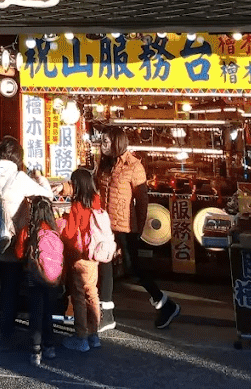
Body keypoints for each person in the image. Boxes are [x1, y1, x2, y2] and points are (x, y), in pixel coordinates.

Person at [98, 127, 179, 329]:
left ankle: (164, 303)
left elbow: (142, 201)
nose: (102, 144)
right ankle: (106, 314)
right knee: (104, 263)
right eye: (102, 141)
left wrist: (139, 229)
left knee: (134, 268)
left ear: (117, 142)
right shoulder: (103, 165)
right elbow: (91, 186)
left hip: (126, 227)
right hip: (104, 226)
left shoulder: (134, 167)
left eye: (106, 141)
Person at [0, 136, 52, 348]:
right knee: (10, 291)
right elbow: (48, 196)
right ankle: (6, 334)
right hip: (12, 246)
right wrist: (39, 178)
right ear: (18, 157)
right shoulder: (20, 178)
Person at [60, 167, 107, 349]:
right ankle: (94, 334)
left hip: (79, 256)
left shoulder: (78, 205)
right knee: (92, 293)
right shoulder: (97, 201)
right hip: (94, 254)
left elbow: (71, 232)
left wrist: (63, 223)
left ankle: (81, 337)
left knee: (78, 296)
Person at [16, 195, 62, 365]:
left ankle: (36, 350)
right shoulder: (55, 230)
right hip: (53, 278)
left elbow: (19, 253)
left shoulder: (29, 231)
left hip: (34, 277)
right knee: (49, 311)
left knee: (36, 311)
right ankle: (50, 346)